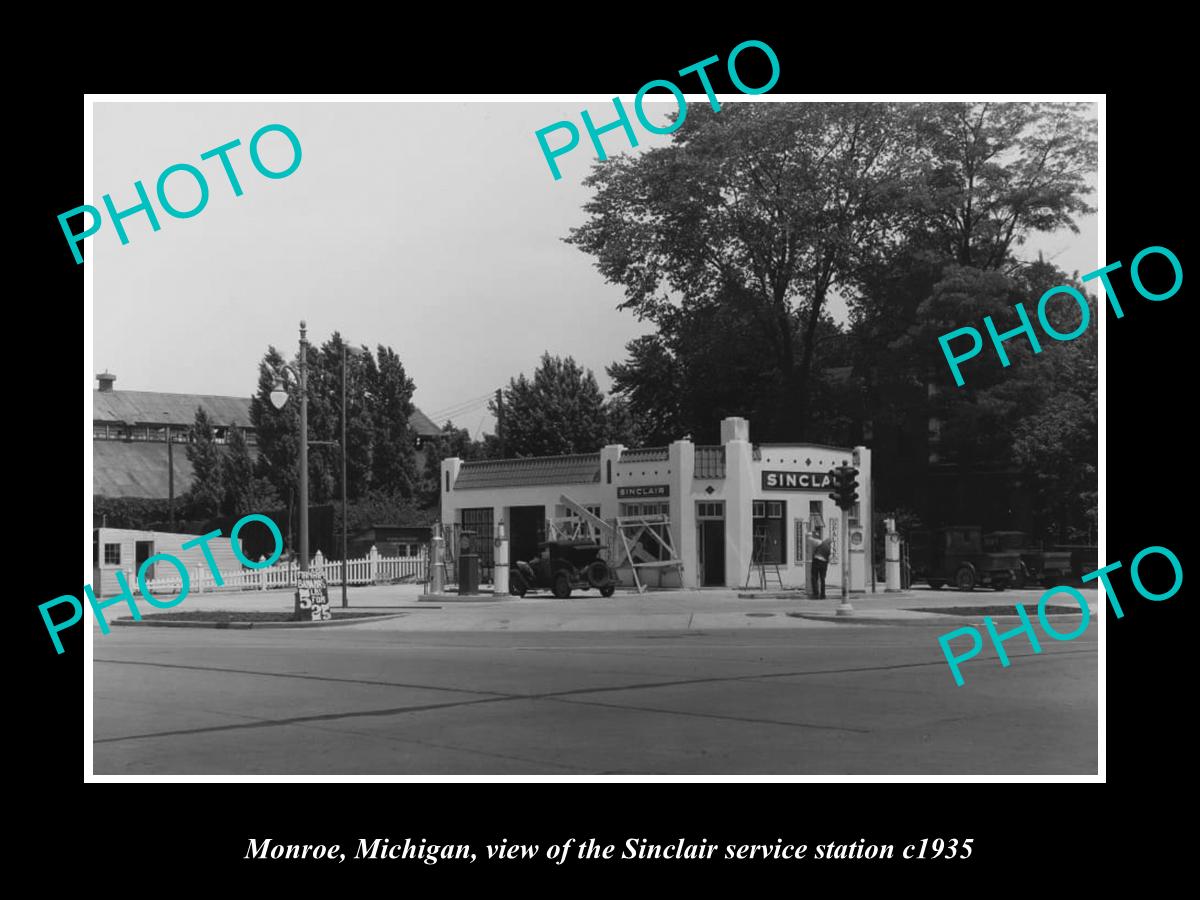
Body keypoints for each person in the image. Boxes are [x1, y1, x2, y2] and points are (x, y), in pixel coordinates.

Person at [808, 526, 832, 600]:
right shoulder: (830, 550)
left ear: (825, 541)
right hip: (824, 564)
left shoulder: (820, 542)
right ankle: (823, 595)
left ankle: (815, 594)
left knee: (814, 577)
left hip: (816, 561)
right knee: (822, 579)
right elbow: (829, 559)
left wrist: (809, 534)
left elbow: (810, 540)